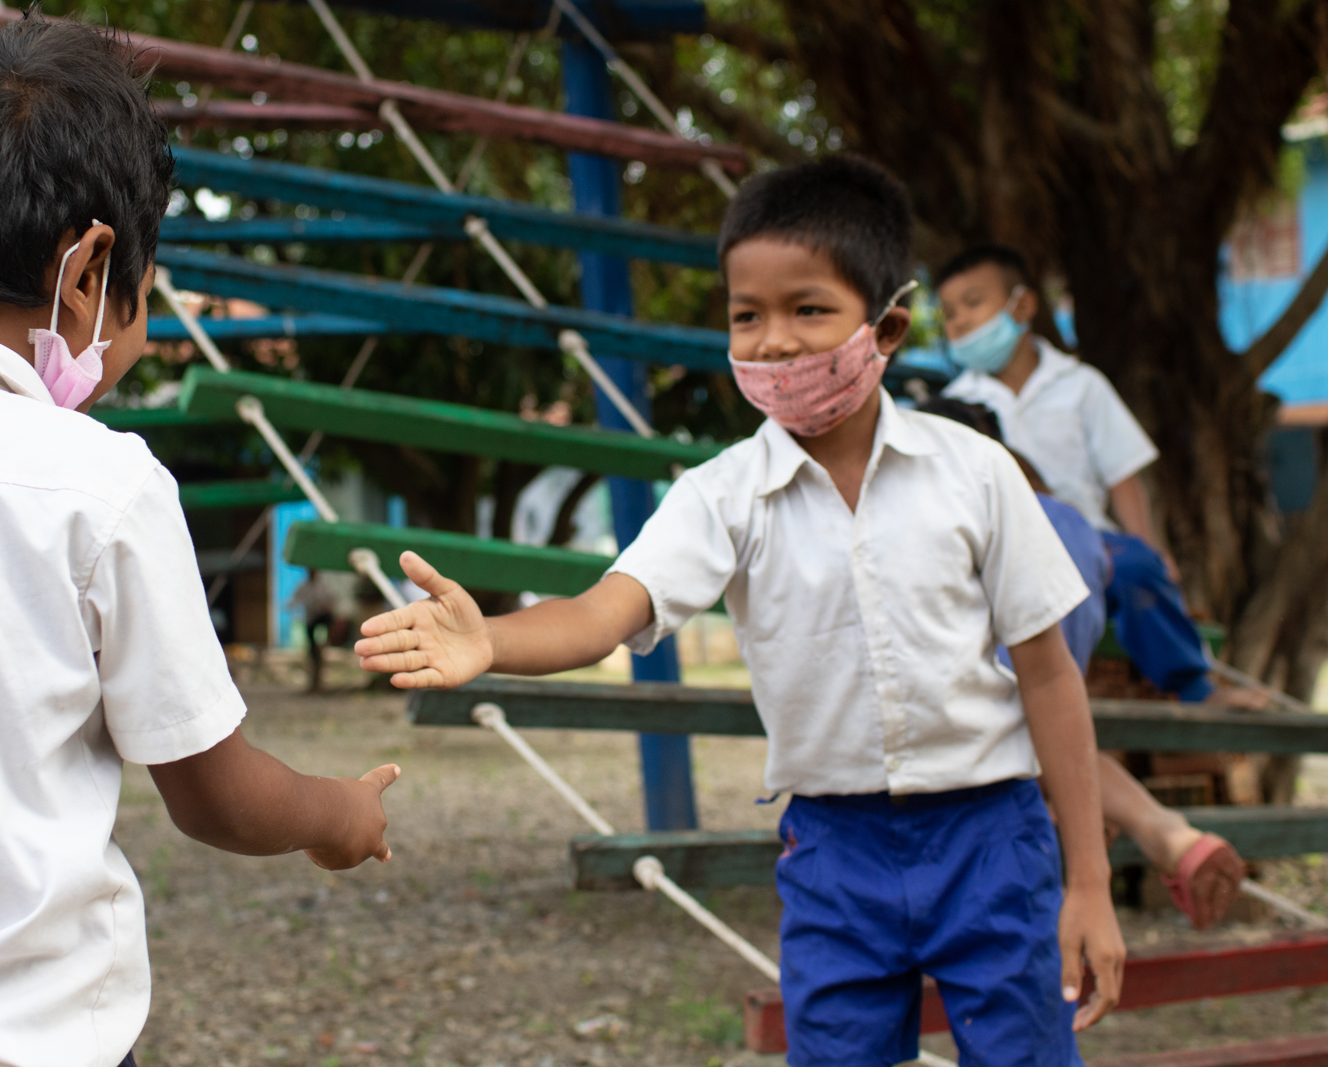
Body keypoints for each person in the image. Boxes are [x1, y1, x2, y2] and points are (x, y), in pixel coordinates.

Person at [355, 156, 1124, 1066]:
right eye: (745, 315)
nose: (773, 342)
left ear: (886, 327)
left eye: (809, 310)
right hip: (834, 852)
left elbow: (1048, 673)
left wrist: (1091, 880)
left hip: (991, 833)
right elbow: (606, 610)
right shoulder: (723, 495)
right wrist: (493, 641)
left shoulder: (977, 473)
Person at [0, 18, 397, 1067]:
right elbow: (216, 793)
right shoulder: (103, 483)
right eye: (144, 298)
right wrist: (336, 812)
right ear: (89, 271)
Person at [920, 399, 1246, 931]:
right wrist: (1192, 679)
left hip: (987, 684)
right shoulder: (1071, 519)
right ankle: (1164, 830)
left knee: (1013, 741)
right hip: (1065, 654)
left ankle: (1115, 830)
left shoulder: (954, 505)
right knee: (1054, 736)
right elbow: (1139, 568)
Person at [936, 245, 1231, 705]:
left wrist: (1150, 545)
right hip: (1000, 549)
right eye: (949, 313)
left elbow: (1123, 474)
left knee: (1138, 567)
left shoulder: (1081, 385)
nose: (960, 322)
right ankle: (1020, 699)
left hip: (1090, 540)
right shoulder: (952, 406)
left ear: (1023, 305)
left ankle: (1192, 683)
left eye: (973, 303)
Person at [290, 571, 339, 692]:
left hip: (321, 619)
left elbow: (331, 599)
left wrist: (327, 607)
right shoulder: (304, 587)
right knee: (312, 653)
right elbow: (295, 601)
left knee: (320, 654)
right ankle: (313, 684)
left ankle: (320, 683)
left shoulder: (323, 586)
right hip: (311, 620)